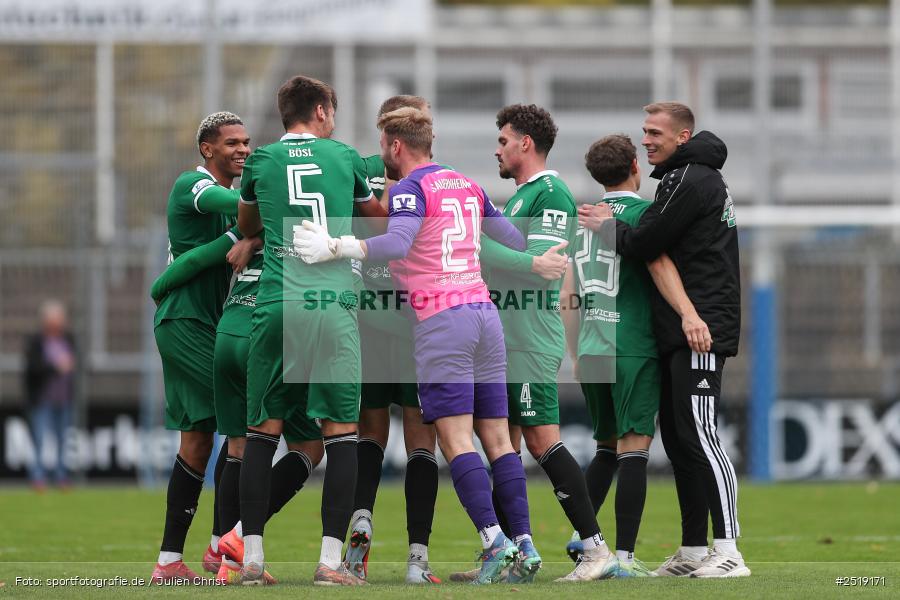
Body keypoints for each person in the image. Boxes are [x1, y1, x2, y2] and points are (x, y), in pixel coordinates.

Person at [294, 105, 540, 585]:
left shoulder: (409, 188)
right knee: (496, 438)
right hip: (484, 315)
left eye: (383, 143)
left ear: (395, 146)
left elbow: (398, 243)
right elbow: (513, 238)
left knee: (454, 438)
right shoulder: (468, 184)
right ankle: (525, 544)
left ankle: (495, 543)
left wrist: (340, 245)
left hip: (442, 320)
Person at [580, 102, 748, 578]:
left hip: (700, 327)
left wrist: (608, 227)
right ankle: (694, 549)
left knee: (702, 434)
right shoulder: (681, 178)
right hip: (678, 328)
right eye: (644, 133)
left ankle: (729, 550)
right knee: (678, 438)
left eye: (655, 133)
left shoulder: (689, 179)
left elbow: (646, 245)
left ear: (682, 135)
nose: (647, 140)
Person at [451, 104, 617, 583]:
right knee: (504, 447)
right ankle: (512, 558)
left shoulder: (551, 192)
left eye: (503, 140)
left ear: (526, 143)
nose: (497, 149)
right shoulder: (522, 198)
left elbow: (537, 263)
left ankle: (595, 548)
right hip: (507, 339)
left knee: (544, 440)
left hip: (529, 340)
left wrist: (469, 240)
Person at [233, 75, 386, 586]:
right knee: (341, 433)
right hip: (331, 303)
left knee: (262, 432)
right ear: (321, 111)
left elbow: (248, 221)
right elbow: (377, 220)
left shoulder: (260, 161)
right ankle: (328, 563)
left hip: (276, 301)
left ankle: (252, 562)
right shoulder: (343, 158)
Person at [561, 133, 706, 577]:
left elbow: (567, 294)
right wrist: (688, 313)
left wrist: (577, 351)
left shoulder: (581, 222)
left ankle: (585, 542)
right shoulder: (646, 216)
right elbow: (660, 267)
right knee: (633, 449)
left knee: (605, 447)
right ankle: (621, 558)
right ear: (636, 168)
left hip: (591, 347)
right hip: (633, 346)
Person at [151, 227, 314, 585]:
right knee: (309, 446)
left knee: (233, 444)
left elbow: (201, 255)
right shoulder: (298, 221)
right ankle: (237, 539)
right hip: (266, 333)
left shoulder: (247, 225)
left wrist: (251, 239)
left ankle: (220, 558)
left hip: (226, 333)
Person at [151, 111, 257, 584]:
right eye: (231, 143)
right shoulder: (191, 187)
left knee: (196, 442)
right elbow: (233, 209)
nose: (242, 150)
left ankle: (169, 562)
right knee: (243, 421)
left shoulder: (235, 199)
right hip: (185, 320)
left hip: (205, 322)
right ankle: (221, 548)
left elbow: (204, 253)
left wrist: (246, 234)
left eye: (246, 143)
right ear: (206, 150)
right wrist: (245, 231)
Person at [344, 94, 441, 584]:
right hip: (420, 322)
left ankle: (358, 529)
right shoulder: (433, 179)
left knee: (371, 432)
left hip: (368, 316)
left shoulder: (359, 167)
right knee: (423, 439)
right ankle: (417, 560)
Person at [23, 300, 77, 491]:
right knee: (39, 439)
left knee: (63, 439)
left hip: (64, 398)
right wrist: (56, 366)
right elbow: (32, 368)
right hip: (42, 399)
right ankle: (38, 477)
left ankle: (61, 476)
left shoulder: (68, 339)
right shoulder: (36, 341)